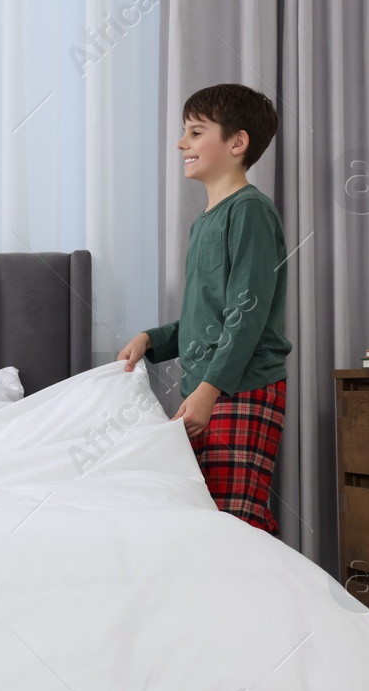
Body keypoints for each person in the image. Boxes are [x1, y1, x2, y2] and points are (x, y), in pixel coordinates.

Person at [117, 84, 292, 534]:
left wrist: (210, 389)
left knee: (238, 520)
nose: (181, 144)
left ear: (237, 143)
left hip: (240, 388)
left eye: (195, 133)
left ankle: (272, 602)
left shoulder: (250, 210)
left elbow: (246, 313)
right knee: (212, 519)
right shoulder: (206, 222)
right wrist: (152, 339)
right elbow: (208, 317)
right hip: (209, 391)